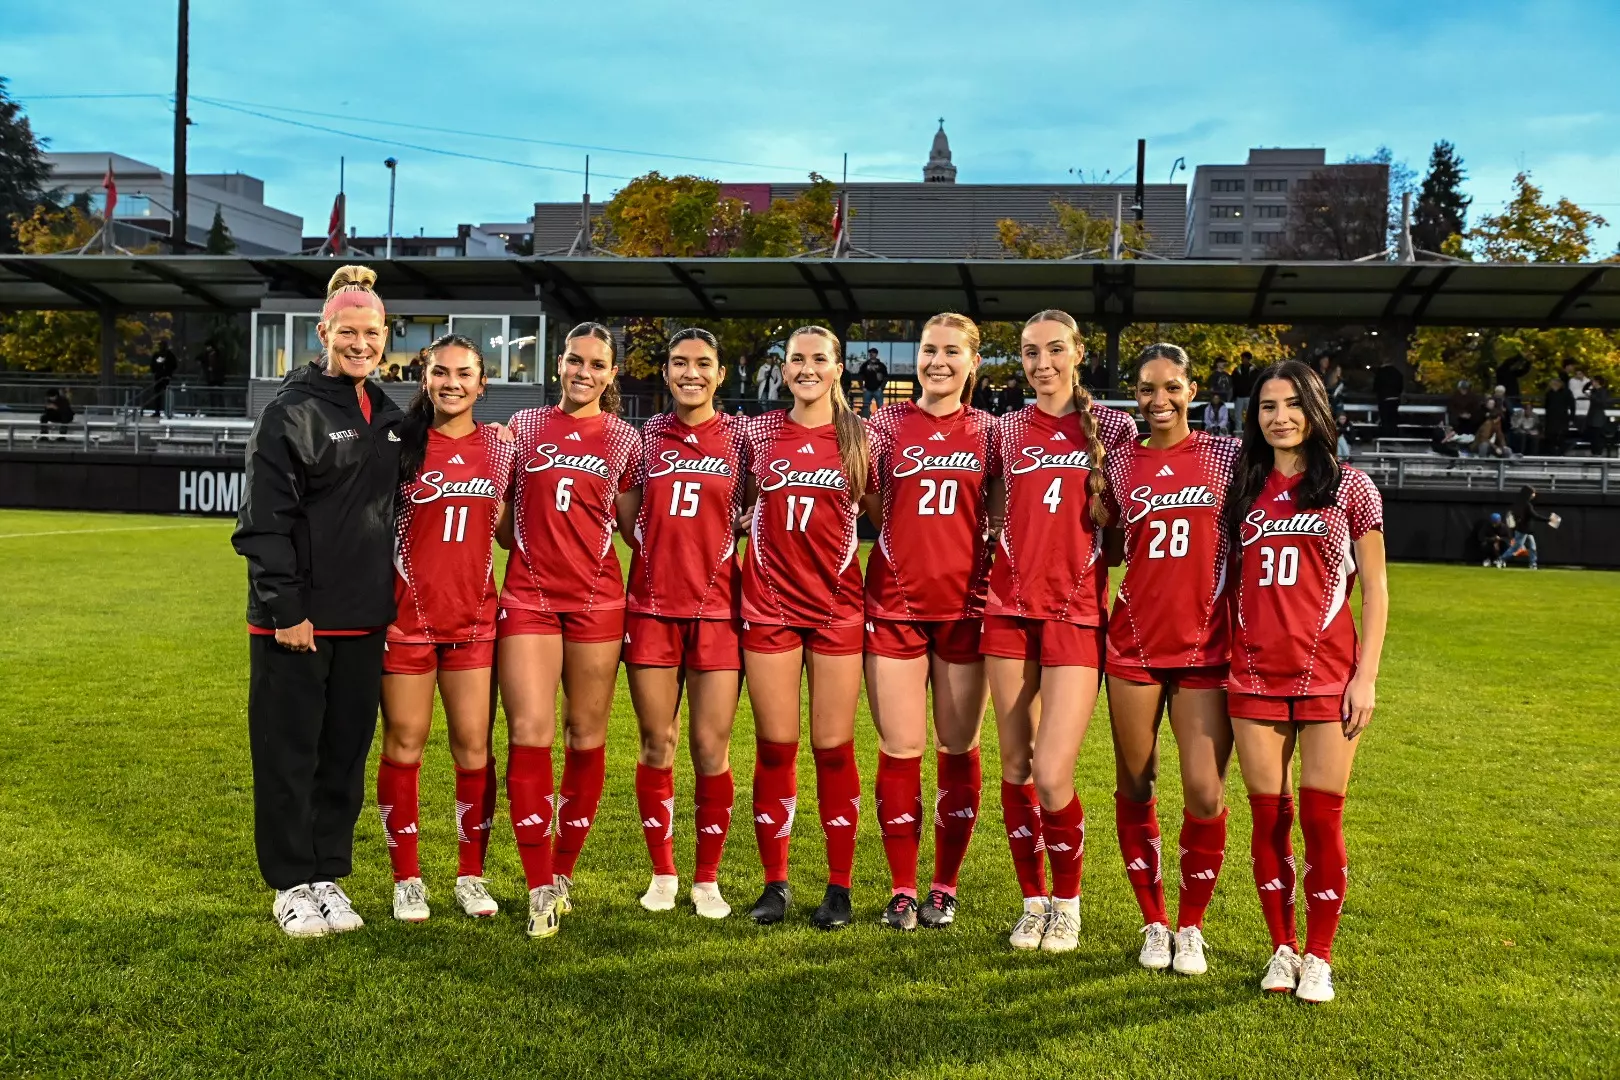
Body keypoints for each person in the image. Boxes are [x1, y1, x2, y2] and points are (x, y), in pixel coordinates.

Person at [232, 265, 404, 937]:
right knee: (287, 754)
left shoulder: (385, 411)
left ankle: (327, 874)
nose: (360, 343)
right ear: (322, 333)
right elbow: (262, 523)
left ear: (385, 336)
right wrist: (286, 610)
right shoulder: (290, 411)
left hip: (364, 620)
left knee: (342, 756)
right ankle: (288, 885)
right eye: (348, 331)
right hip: (297, 623)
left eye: (372, 332)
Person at [1225, 359, 1388, 1004]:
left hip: (1328, 676)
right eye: (1268, 406)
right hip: (1254, 677)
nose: (1280, 417)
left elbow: (1375, 590)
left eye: (1293, 404)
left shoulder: (1351, 488)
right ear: (1254, 416)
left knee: (1322, 821)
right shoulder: (1241, 488)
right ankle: (1281, 948)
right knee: (1269, 820)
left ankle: (1319, 954)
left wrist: (1365, 677)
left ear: (1316, 411)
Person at [983, 309, 1135, 954]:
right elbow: (983, 506)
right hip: (1007, 611)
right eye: (1028, 352)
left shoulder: (1117, 429)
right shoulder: (1006, 429)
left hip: (1076, 615)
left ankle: (1067, 902)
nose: (1041, 364)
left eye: (1053, 351)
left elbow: (1130, 526)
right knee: (1015, 768)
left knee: (1051, 773)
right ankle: (1033, 901)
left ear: (1077, 353)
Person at [496, 322, 643, 939]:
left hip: (598, 601)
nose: (584, 371)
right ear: (560, 363)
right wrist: (537, 554)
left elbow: (632, 527)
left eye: (597, 364)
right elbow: (501, 521)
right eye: (575, 360)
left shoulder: (625, 440)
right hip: (529, 595)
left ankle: (563, 873)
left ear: (612, 375)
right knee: (530, 733)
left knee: (586, 734)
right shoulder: (522, 429)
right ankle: (536, 887)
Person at [1103, 343, 1242, 976]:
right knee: (1136, 783)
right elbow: (1103, 545)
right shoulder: (1119, 463)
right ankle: (1155, 921)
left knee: (1205, 792)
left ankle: (1192, 926)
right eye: (1146, 388)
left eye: (1172, 387)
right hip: (1131, 642)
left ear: (1193, 390)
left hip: (1205, 647)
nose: (1159, 400)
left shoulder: (1226, 457)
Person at [374, 335, 515, 923]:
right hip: (406, 620)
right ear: (424, 379)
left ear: (482, 385)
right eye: (440, 372)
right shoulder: (397, 445)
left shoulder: (504, 450)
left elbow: (508, 530)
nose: (451, 382)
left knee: (474, 748)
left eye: (464, 374)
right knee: (404, 745)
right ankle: (408, 878)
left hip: (476, 620)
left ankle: (470, 874)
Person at [863, 313, 996, 932]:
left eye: (950, 352)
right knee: (900, 747)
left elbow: (1001, 512)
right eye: (927, 350)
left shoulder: (994, 434)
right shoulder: (884, 425)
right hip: (894, 605)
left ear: (973, 362)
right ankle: (900, 886)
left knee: (958, 747)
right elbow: (864, 503)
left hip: (967, 610)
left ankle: (944, 884)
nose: (936, 361)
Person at [738, 325, 871, 930]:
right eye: (797, 359)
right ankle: (775, 883)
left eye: (820, 359)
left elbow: (882, 510)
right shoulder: (757, 432)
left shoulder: (863, 439)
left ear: (839, 367)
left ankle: (839, 887)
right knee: (776, 746)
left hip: (838, 606)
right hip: (767, 604)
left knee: (833, 747)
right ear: (784, 368)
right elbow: (726, 492)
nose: (808, 368)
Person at [621, 328, 748, 920]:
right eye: (678, 363)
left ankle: (707, 878)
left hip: (720, 610)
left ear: (720, 374)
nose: (690, 372)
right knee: (657, 742)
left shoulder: (746, 439)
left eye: (702, 364)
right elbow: (625, 520)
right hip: (650, 609)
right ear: (665, 373)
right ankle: (663, 874)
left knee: (709, 746)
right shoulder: (641, 440)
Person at [1504, 485, 1551, 569]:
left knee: (1533, 547)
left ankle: (1533, 563)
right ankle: (1501, 559)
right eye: (1532, 493)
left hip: (1526, 530)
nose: (1534, 495)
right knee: (1516, 548)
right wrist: (1548, 520)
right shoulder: (1527, 505)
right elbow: (1535, 516)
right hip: (1523, 530)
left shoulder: (1521, 504)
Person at [1543, 376, 1575, 456]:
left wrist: (1571, 418)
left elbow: (1572, 406)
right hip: (1551, 418)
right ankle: (1552, 454)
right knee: (1551, 437)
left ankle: (1561, 454)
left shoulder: (1567, 392)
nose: (1553, 385)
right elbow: (1546, 405)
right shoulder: (1549, 393)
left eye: (1555, 383)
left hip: (1562, 418)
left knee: (1562, 437)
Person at [1373, 358, 1404, 438]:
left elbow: (1376, 386)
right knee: (1393, 420)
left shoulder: (1381, 373)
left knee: (1385, 420)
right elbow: (1401, 387)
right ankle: (1393, 437)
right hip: (1395, 399)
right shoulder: (1397, 373)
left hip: (1384, 398)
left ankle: (1385, 438)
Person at [1583, 376, 1612, 456]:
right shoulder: (1593, 390)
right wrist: (1589, 382)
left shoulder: (1603, 391)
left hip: (1598, 417)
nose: (1593, 383)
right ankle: (1594, 453)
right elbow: (1584, 390)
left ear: (1598, 382)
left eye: (1594, 381)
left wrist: (1591, 396)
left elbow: (1602, 403)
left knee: (1597, 437)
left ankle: (1597, 453)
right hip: (1592, 416)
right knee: (1592, 436)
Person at [148, 338, 178, 417]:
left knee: (167, 395)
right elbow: (152, 365)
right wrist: (156, 369)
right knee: (157, 395)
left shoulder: (169, 355)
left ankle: (168, 411)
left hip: (166, 377)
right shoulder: (156, 355)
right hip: (158, 377)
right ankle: (157, 411)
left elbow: (174, 365)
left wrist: (168, 371)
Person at [859, 348, 890, 417]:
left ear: (876, 354)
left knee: (880, 407)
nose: (871, 354)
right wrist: (862, 387)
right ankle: (865, 421)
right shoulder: (865, 365)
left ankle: (881, 421)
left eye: (873, 352)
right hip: (867, 389)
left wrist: (881, 387)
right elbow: (860, 376)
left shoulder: (881, 365)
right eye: (870, 352)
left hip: (877, 389)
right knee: (865, 407)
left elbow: (886, 377)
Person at [1232, 351, 1258, 431]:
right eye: (1243, 358)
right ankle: (1238, 432)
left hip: (1250, 397)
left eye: (1247, 358)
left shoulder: (1255, 371)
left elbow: (1257, 383)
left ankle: (1250, 432)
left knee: (1251, 416)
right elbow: (1233, 383)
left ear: (1250, 359)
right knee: (1237, 416)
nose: (1244, 360)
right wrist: (1234, 395)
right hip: (1239, 396)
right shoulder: (1237, 370)